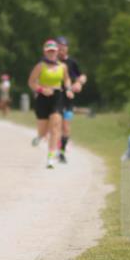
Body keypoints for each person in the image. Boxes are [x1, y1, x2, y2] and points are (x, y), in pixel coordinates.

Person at [28, 40, 71, 169]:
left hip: (57, 97)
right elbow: (31, 82)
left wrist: (68, 89)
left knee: (56, 127)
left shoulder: (63, 67)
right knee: (43, 131)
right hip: (42, 98)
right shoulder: (40, 66)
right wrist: (41, 90)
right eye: (49, 51)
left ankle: (51, 158)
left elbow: (67, 79)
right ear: (45, 52)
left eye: (54, 51)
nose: (52, 53)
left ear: (57, 52)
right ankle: (40, 136)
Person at [55, 36, 87, 163]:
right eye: (59, 48)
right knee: (56, 124)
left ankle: (61, 152)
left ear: (67, 49)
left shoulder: (72, 63)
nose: (61, 51)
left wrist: (79, 83)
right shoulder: (50, 62)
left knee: (66, 127)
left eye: (63, 49)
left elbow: (82, 76)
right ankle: (56, 148)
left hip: (68, 99)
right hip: (55, 98)